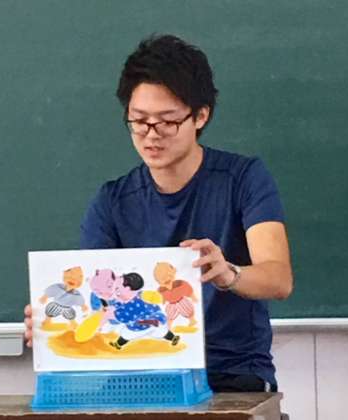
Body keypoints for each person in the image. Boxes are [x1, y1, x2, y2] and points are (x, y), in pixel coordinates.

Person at [25, 34, 293, 393]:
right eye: (139, 121)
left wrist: (228, 273)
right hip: (139, 375)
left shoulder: (243, 179)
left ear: (200, 116)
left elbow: (278, 279)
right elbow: (97, 297)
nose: (151, 135)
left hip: (231, 374)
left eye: (167, 122)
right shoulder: (112, 202)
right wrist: (56, 322)